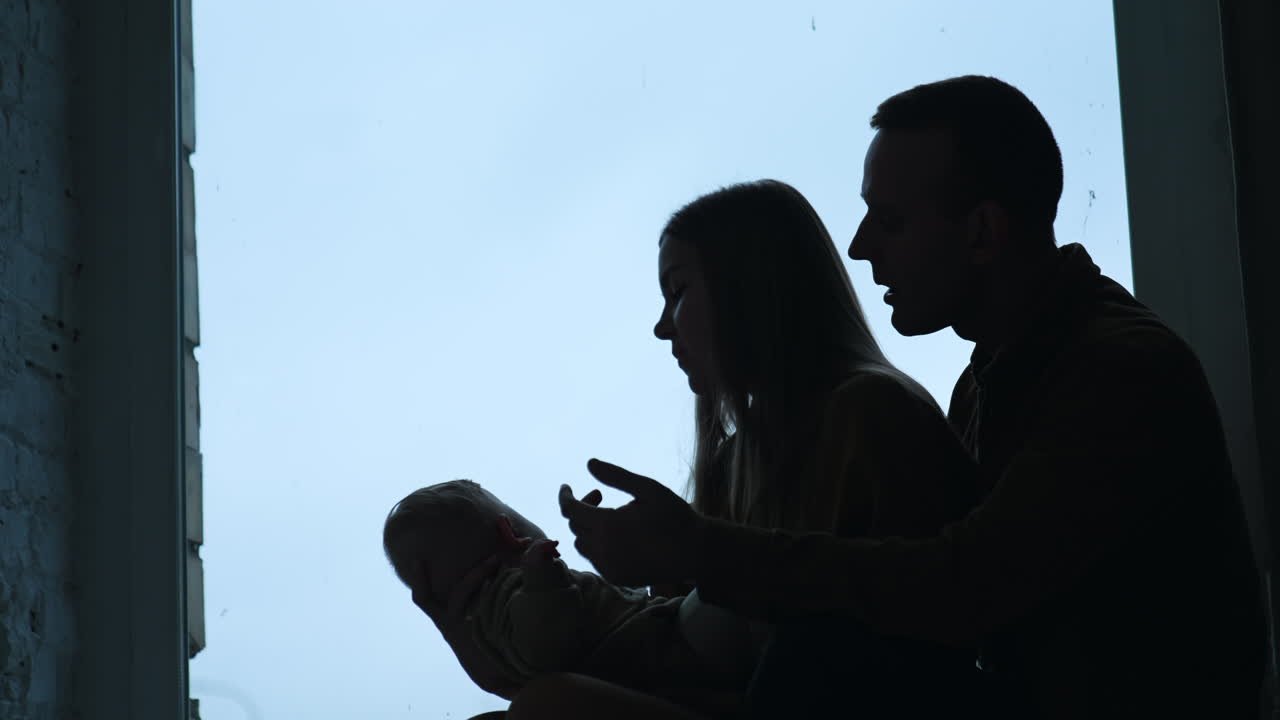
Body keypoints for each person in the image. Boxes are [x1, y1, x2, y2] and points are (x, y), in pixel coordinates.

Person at [559, 76, 1266, 718]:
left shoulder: (1118, 371)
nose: (859, 246)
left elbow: (964, 586)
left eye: (890, 221)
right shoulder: (986, 383)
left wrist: (700, 552)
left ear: (982, 232)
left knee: (821, 655)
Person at [495, 179, 986, 720]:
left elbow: (901, 644)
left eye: (678, 291)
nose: (661, 328)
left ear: (750, 289)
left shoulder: (872, 415)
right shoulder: (736, 463)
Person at [383, 480, 731, 709]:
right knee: (728, 602)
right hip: (670, 646)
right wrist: (543, 579)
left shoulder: (483, 636)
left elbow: (602, 616)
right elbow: (547, 642)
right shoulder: (515, 594)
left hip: (656, 656)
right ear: (509, 530)